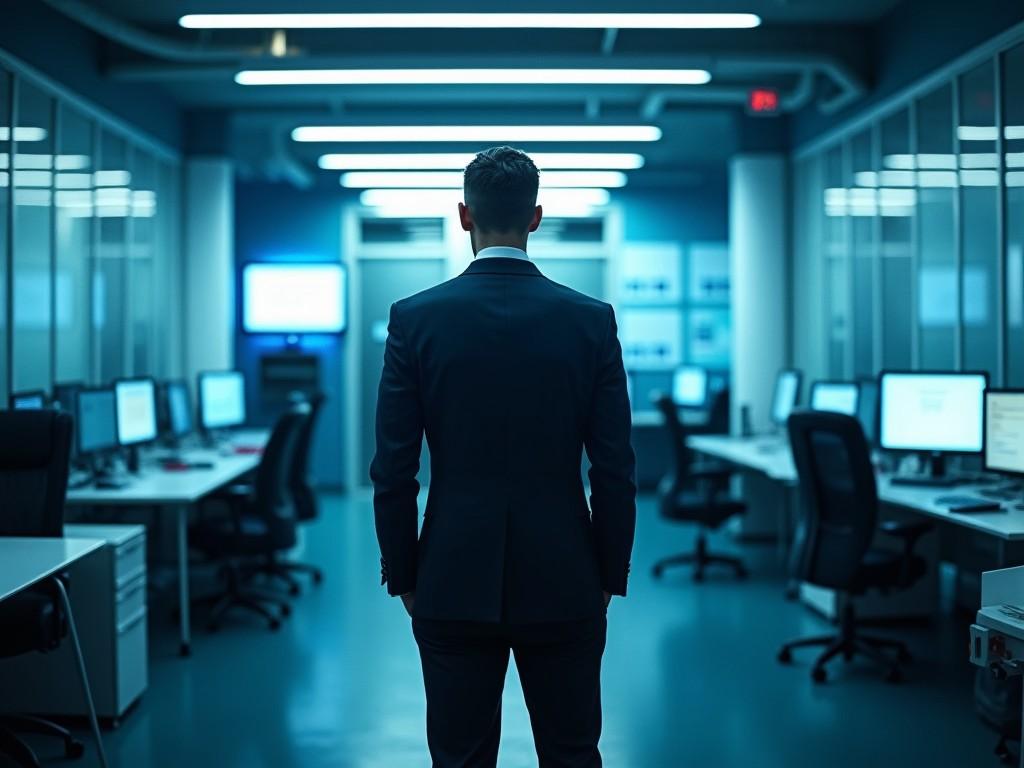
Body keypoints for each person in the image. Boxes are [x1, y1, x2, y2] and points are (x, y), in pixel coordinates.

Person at [370, 146, 637, 767]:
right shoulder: (590, 321)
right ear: (536, 217)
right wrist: (607, 576)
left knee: (460, 760)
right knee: (573, 755)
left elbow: (393, 470)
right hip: (566, 576)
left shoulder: (414, 319)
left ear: (464, 216)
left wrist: (405, 574)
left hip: (451, 575)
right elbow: (615, 469)